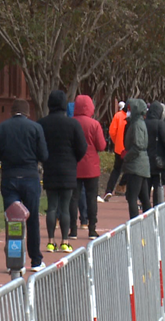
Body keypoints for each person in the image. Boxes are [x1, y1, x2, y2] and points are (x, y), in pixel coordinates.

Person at [0, 99, 48, 272]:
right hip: (30, 177)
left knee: (13, 220)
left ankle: (15, 261)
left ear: (12, 111)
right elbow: (44, 155)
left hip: (10, 178)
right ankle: (36, 260)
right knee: (32, 220)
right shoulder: (35, 128)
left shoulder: (1, 128)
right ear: (27, 113)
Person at [38, 90, 87, 253]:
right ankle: (65, 241)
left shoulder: (42, 123)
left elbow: (38, 146)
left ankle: (51, 241)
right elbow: (82, 147)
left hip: (50, 168)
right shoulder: (73, 124)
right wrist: (73, 159)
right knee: (65, 207)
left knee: (51, 206)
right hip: (68, 169)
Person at [71, 94, 106, 240]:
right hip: (91, 166)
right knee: (92, 198)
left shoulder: (71, 123)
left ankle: (72, 230)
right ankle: (92, 228)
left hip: (74, 165)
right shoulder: (94, 124)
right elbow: (101, 145)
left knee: (73, 198)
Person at [122, 99, 152, 219]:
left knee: (132, 196)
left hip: (136, 165)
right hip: (141, 164)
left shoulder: (136, 125)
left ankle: (134, 221)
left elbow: (138, 146)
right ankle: (148, 220)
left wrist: (126, 156)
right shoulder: (139, 123)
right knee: (144, 196)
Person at [146, 101, 165, 206]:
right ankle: (156, 206)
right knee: (157, 185)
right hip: (157, 158)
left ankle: (145, 205)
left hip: (146, 159)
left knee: (146, 186)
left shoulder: (144, 122)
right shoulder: (160, 123)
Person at [104, 101, 128, 201]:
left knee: (116, 170)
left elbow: (112, 131)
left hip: (119, 148)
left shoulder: (118, 116)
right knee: (130, 169)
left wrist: (116, 141)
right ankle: (122, 186)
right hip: (129, 149)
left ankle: (109, 190)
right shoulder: (134, 118)